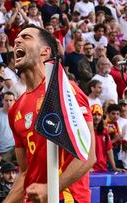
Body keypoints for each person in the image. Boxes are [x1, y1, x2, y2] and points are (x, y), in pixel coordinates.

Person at [5, 25, 96, 202]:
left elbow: (87, 155)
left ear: (45, 52)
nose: (17, 40)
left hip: (67, 197)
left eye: (26, 37)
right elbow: (25, 173)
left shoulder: (64, 91)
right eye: (17, 38)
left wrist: (51, 188)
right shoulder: (15, 110)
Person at [91, 104, 126, 173]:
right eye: (94, 114)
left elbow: (109, 149)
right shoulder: (86, 130)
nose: (97, 117)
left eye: (99, 115)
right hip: (89, 169)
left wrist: (114, 167)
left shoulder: (104, 131)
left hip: (103, 167)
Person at [0, 92, 16, 163]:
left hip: (17, 148)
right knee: (4, 171)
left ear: (14, 101)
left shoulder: (18, 114)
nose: (8, 103)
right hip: (4, 150)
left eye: (11, 100)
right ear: (2, 101)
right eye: (6, 100)